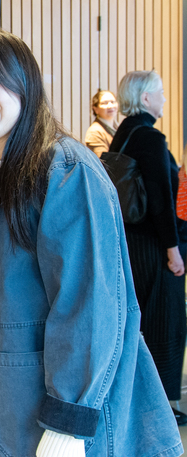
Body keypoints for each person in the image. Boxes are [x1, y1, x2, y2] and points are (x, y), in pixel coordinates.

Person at [0, 28, 182, 456]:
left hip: (49, 418)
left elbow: (90, 303)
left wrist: (68, 421)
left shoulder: (63, 167)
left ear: (25, 82)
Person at [108, 70, 187, 424]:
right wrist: (173, 251)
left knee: (141, 325)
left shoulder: (123, 134)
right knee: (165, 324)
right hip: (154, 249)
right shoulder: (150, 138)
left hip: (131, 244)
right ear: (144, 99)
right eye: (161, 92)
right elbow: (160, 200)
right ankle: (163, 407)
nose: (165, 98)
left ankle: (145, 401)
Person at [83, 89, 119, 158]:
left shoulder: (117, 126)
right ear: (95, 109)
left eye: (113, 102)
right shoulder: (94, 132)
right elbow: (103, 160)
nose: (110, 106)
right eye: (105, 103)